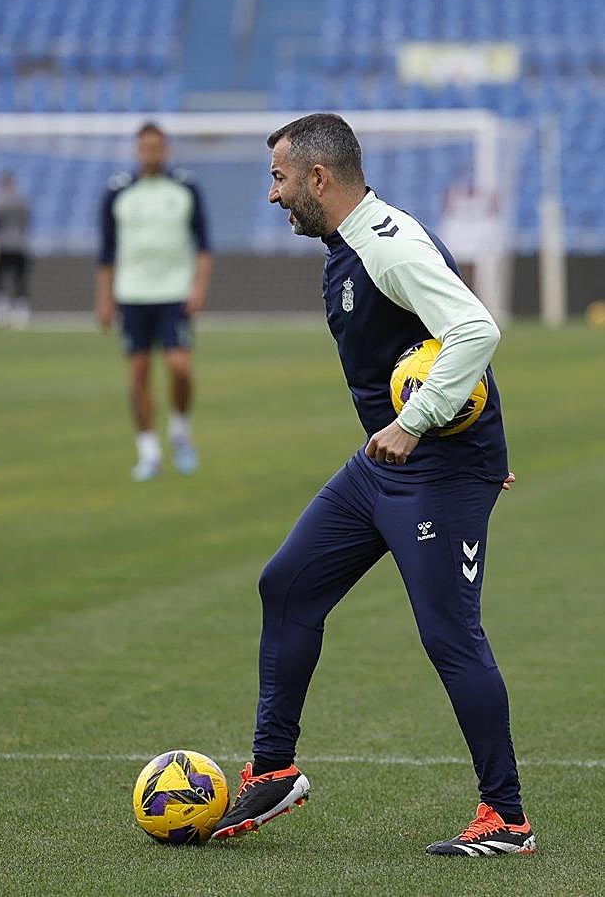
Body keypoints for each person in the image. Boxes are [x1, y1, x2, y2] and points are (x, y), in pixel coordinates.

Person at [212, 114, 535, 857]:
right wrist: (460, 429)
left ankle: (507, 818)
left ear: (318, 178)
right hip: (390, 465)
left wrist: (430, 427)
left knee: (449, 634)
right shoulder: (347, 243)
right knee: (287, 582)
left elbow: (475, 329)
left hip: (434, 470)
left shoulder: (389, 247)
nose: (274, 194)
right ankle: (273, 767)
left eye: (280, 179)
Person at [96, 122, 212, 480]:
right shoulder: (118, 193)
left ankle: (179, 428)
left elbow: (204, 246)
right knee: (139, 375)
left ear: (166, 149)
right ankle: (148, 451)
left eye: (157, 147)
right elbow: (106, 253)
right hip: (132, 295)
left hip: (174, 293)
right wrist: (104, 299)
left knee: (179, 367)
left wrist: (198, 289)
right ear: (137, 150)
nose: (151, 153)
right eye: (145, 147)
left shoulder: (185, 189)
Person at [0, 171, 31, 328]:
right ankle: (19, 312)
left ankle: (2, 311)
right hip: (20, 245)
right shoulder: (22, 201)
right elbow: (27, 223)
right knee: (19, 280)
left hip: (4, 246)